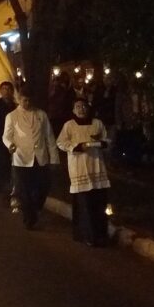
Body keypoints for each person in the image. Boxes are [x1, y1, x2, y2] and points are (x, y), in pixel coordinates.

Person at [56, 98, 112, 246]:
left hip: (96, 167)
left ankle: (101, 234)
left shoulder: (97, 123)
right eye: (78, 107)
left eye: (84, 106)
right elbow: (61, 142)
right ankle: (86, 235)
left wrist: (103, 143)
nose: (81, 109)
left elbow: (107, 139)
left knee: (99, 204)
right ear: (73, 110)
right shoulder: (69, 125)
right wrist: (76, 146)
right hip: (79, 168)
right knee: (84, 205)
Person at [3, 90, 59, 229]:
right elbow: (6, 136)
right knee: (24, 190)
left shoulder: (41, 114)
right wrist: (11, 145)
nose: (27, 103)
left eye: (29, 100)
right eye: (24, 100)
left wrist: (54, 159)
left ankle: (35, 207)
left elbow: (49, 137)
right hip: (21, 159)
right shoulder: (12, 116)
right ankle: (29, 218)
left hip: (40, 158)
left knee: (43, 186)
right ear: (19, 99)